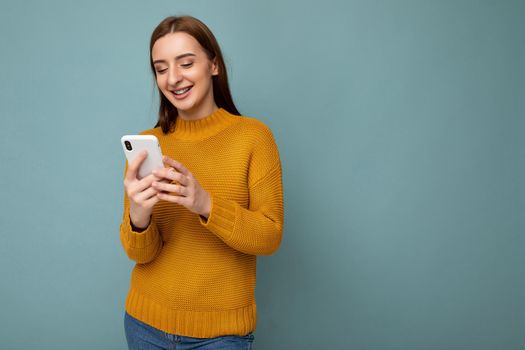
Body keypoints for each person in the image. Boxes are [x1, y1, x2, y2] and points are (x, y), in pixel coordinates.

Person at [119, 15, 284, 350]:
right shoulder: (148, 143)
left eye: (186, 63)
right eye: (161, 68)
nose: (173, 78)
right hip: (144, 324)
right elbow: (140, 253)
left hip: (221, 336)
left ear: (214, 65)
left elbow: (269, 237)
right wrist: (138, 216)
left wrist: (204, 204)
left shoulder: (253, 137)